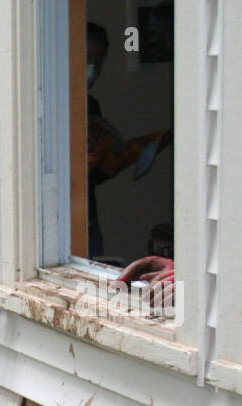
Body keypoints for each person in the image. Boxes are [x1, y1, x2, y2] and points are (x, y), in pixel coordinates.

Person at [86, 21, 171, 259]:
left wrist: (121, 159)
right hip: (59, 224)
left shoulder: (91, 106)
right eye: (86, 57)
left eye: (98, 63)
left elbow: (94, 177)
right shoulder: (46, 105)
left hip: (88, 219)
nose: (91, 68)